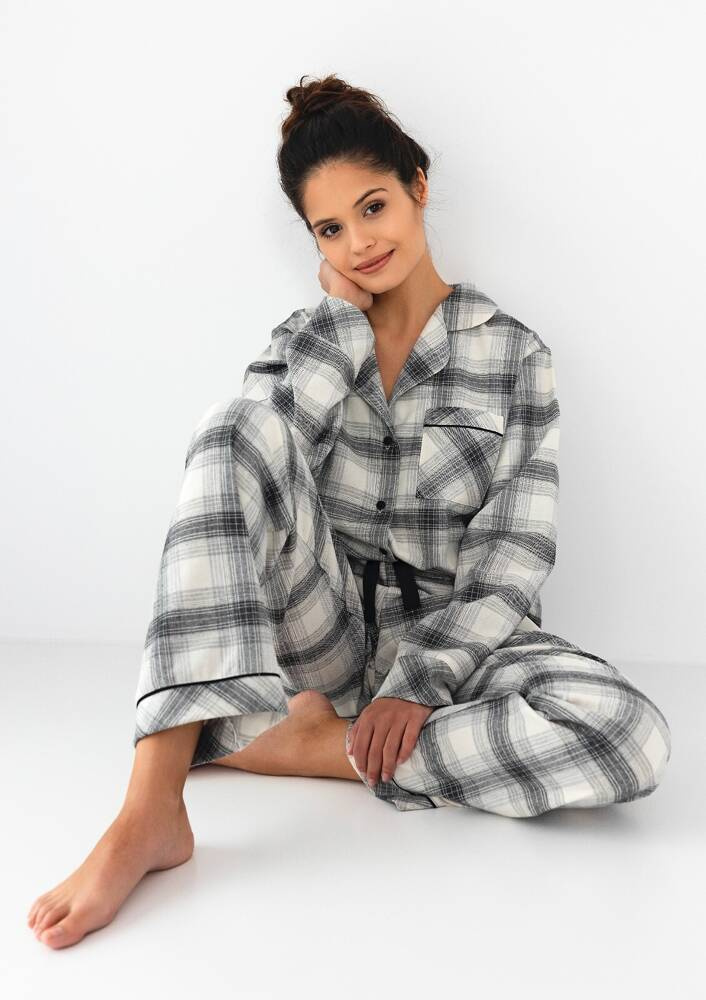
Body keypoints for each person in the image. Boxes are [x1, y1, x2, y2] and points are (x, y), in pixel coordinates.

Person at [27, 73, 672, 950]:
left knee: (627, 733)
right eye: (330, 228)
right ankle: (149, 812)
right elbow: (249, 468)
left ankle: (295, 746)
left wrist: (418, 681)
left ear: (418, 185)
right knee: (231, 426)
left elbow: (513, 556)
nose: (360, 242)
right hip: (322, 636)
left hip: (458, 646)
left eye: (373, 208)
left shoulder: (516, 354)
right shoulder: (306, 339)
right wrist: (338, 325)